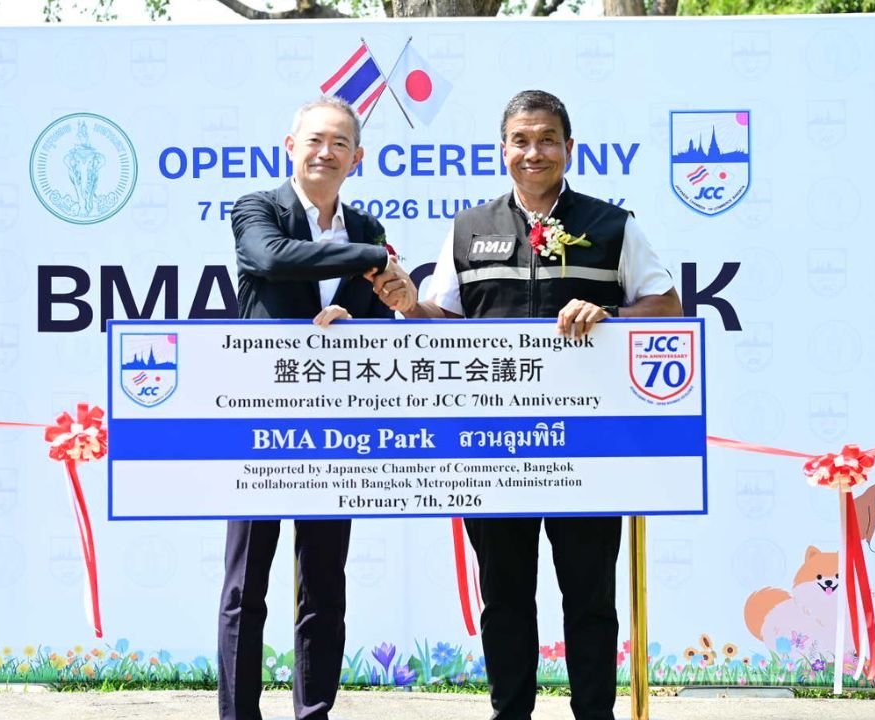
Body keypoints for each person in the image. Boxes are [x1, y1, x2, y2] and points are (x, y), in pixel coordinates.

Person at [402, 90, 681, 720]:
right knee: (503, 597)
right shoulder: (468, 229)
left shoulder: (613, 225)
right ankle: (511, 713)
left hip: (588, 448)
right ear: (503, 150)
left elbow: (665, 306)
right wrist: (403, 302)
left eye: (547, 139)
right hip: (493, 448)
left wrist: (608, 314)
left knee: (589, 597)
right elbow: (438, 317)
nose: (534, 152)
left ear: (569, 149)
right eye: (521, 140)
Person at [219, 96, 416, 720]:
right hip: (260, 418)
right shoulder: (258, 208)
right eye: (314, 140)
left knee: (325, 584)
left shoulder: (365, 227)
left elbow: (385, 308)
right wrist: (370, 258)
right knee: (245, 586)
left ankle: (314, 712)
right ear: (290, 146)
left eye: (339, 144)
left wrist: (365, 305)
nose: (324, 152)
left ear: (356, 158)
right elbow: (271, 258)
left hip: (338, 425)